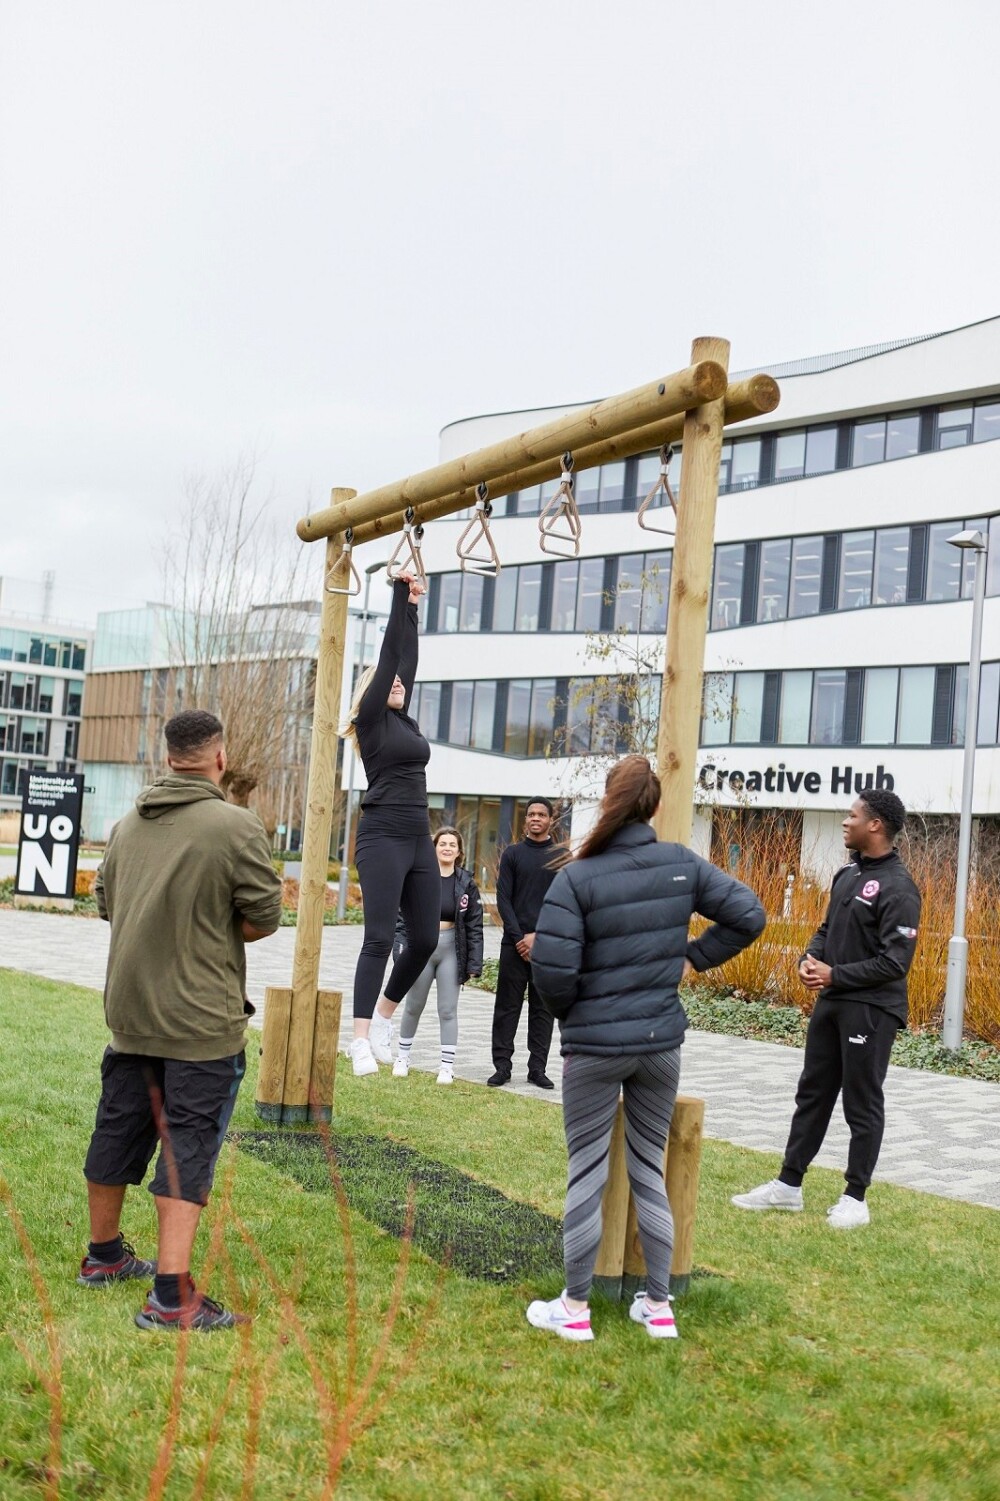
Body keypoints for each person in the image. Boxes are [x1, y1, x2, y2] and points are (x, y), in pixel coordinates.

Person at [526, 756, 765, 1342]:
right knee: (648, 1169)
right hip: (660, 1044)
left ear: (609, 804)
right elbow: (749, 915)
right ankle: (658, 1307)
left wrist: (576, 1017)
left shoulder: (576, 878)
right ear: (653, 807)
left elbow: (552, 973)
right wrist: (693, 958)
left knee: (587, 1171)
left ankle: (575, 1309)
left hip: (594, 1048)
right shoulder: (681, 864)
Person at [78, 709, 283, 1331]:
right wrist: (209, 927)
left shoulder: (126, 826)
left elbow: (106, 902)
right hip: (199, 1023)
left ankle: (104, 1257)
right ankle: (171, 1298)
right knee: (187, 1146)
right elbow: (263, 917)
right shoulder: (236, 826)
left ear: (168, 758)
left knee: (117, 1128)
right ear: (219, 758)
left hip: (130, 1014)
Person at [732, 789, 921, 1229]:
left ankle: (855, 1198)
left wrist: (835, 974)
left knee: (862, 1101)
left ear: (875, 825)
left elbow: (896, 963)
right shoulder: (847, 873)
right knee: (813, 1093)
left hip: (871, 1009)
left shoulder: (899, 887)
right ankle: (788, 1186)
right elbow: (826, 928)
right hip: (832, 1003)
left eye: (852, 815)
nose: (845, 821)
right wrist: (809, 959)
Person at [340, 571, 439, 1076]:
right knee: (379, 938)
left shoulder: (405, 721)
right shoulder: (372, 722)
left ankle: (382, 1018)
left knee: (424, 938)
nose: (397, 681)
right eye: (389, 681)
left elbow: (406, 660)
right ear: (372, 692)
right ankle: (359, 1039)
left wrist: (414, 608)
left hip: (418, 837)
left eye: (400, 681)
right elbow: (390, 657)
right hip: (382, 836)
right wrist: (398, 595)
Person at [391, 826, 484, 1084]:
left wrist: (474, 963)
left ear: (459, 851)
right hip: (421, 948)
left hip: (451, 950)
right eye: (442, 843)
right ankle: (402, 1057)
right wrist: (401, 953)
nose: (447, 848)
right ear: (433, 848)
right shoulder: (419, 878)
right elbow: (401, 918)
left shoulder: (466, 883)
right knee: (413, 1005)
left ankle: (446, 1066)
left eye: (452, 844)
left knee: (447, 1009)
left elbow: (475, 925)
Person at [489, 797, 560, 1089]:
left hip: (547, 945)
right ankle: (502, 1067)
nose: (535, 818)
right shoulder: (513, 854)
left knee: (543, 1010)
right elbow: (503, 898)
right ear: (526, 819)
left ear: (550, 820)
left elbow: (564, 902)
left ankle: (537, 1069)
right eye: (531, 814)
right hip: (513, 945)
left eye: (541, 814)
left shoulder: (561, 856)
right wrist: (519, 938)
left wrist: (538, 936)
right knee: (507, 1007)